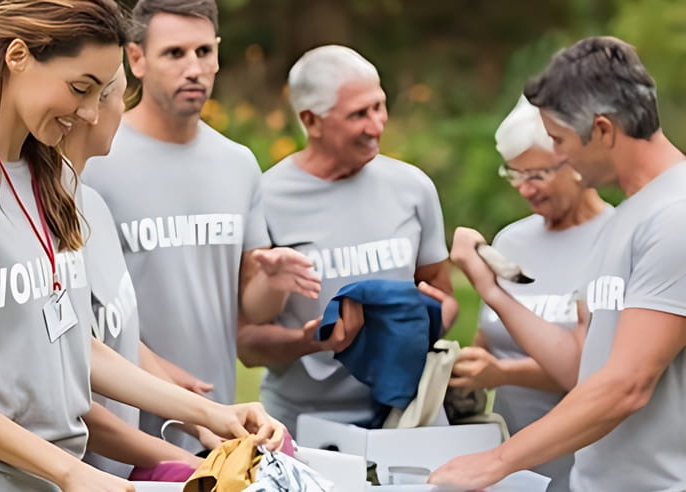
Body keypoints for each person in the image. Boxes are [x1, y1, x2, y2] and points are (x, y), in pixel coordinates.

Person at [0, 2, 285, 490]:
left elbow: (72, 345)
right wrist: (73, 472)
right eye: (79, 88)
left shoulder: (46, 177)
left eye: (99, 92)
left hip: (50, 478)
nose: (90, 112)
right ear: (18, 57)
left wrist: (215, 413)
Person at [428, 36, 686, 491]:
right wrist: (492, 291)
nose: (558, 155)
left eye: (559, 140)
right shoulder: (625, 218)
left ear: (604, 130)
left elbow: (627, 385)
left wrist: (496, 462)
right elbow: (581, 369)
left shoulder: (676, 216)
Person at [82, 0, 320, 451]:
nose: (194, 68)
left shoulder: (239, 163)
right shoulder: (96, 158)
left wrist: (272, 280)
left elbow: (253, 313)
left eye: (204, 52)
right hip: (116, 433)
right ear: (136, 59)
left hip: (217, 429)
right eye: (175, 54)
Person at [237, 45, 457, 435]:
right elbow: (248, 344)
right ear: (311, 120)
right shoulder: (265, 197)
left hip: (405, 419)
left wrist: (431, 317)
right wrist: (309, 341)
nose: (376, 126)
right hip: (302, 425)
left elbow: (443, 297)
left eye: (379, 106)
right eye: (359, 114)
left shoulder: (413, 188)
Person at [449, 95, 612, 491]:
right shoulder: (512, 240)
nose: (525, 189)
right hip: (512, 463)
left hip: (585, 464)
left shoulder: (613, 237)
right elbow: (491, 336)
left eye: (537, 175)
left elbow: (591, 370)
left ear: (571, 159)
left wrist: (503, 374)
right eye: (516, 175)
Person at [63, 65, 206, 480]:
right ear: (90, 107)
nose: (124, 115)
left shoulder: (93, 205)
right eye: (122, 99)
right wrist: (194, 464)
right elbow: (72, 400)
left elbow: (116, 333)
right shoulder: (43, 222)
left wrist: (202, 419)